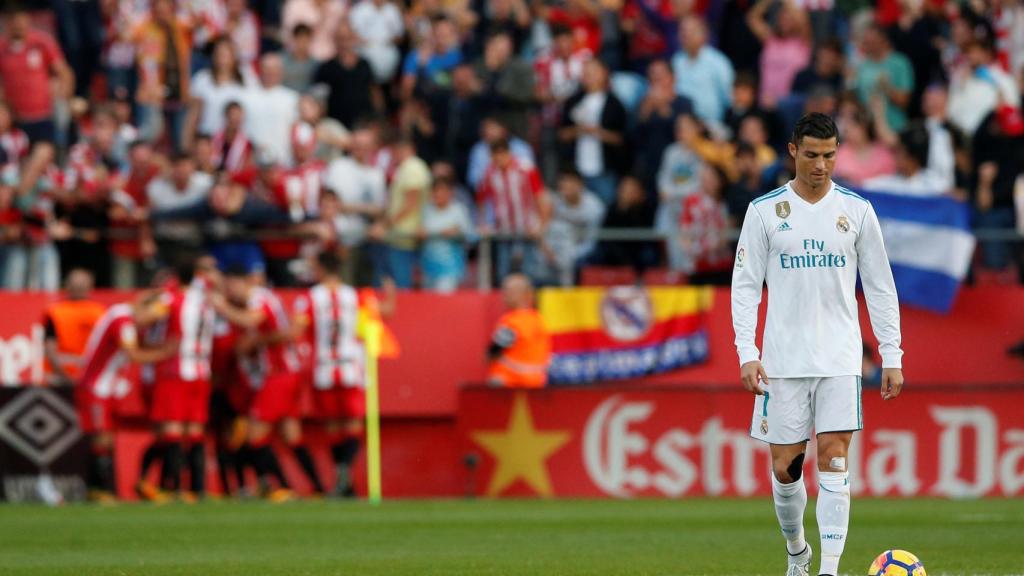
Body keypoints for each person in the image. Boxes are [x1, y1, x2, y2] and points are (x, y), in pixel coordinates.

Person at [731, 113, 905, 576]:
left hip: (839, 357)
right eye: (811, 155)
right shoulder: (764, 212)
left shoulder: (858, 211)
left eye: (829, 155)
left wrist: (892, 354)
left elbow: (880, 286)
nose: (821, 165)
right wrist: (747, 352)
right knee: (786, 470)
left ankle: (828, 570)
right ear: (793, 151)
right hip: (782, 361)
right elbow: (745, 286)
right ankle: (797, 553)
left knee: (833, 458)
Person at [213, 268, 322, 499]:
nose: (229, 292)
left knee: (253, 435)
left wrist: (222, 307)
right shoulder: (264, 299)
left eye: (231, 285)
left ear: (243, 282)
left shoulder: (258, 298)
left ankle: (281, 488)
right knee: (291, 434)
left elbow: (253, 320)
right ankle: (319, 488)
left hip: (279, 374)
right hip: (287, 372)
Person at [77, 292, 172, 501]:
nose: (150, 323)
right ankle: (97, 489)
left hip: (108, 388)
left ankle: (106, 490)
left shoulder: (125, 320)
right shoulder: (122, 319)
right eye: (152, 317)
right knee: (101, 438)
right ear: (144, 307)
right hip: (96, 386)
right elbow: (133, 354)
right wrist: (166, 353)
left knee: (108, 438)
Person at [291, 250, 368, 496]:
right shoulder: (355, 296)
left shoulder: (309, 298)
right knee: (353, 424)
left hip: (323, 368)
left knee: (333, 426)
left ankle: (342, 477)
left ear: (320, 269)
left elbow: (297, 328)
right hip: (351, 367)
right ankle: (346, 477)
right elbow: (377, 318)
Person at [149, 256, 219, 500]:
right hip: (202, 371)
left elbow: (146, 317)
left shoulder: (173, 299)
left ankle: (174, 487)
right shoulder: (206, 301)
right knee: (196, 430)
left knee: (173, 430)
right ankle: (199, 489)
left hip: (177, 369)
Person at [0, 4, 75, 145]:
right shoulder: (2, 48)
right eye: (14, 22)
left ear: (28, 20)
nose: (18, 26)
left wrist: (62, 98)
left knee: (43, 152)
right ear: (7, 23)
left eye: (21, 20)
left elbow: (64, 73)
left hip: (43, 117)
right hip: (15, 119)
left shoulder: (42, 42)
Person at [558, 59, 627, 205]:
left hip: (604, 171)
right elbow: (562, 134)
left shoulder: (614, 104)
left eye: (593, 71)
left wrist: (597, 132)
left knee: (605, 210)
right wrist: (579, 130)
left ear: (604, 74)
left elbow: (622, 139)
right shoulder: (572, 101)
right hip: (577, 171)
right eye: (585, 71)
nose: (588, 75)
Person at [43, 269, 106, 386]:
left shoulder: (100, 313)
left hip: (76, 379)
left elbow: (50, 351)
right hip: (64, 380)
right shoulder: (100, 313)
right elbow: (50, 352)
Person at [486, 273, 551, 388]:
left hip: (507, 382)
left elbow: (493, 352)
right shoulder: (539, 319)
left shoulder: (511, 322)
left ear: (526, 294)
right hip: (537, 382)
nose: (504, 295)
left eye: (509, 291)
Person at [670, 15, 735, 125]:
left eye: (691, 31)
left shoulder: (718, 62)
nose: (686, 35)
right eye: (683, 31)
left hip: (712, 125)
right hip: (681, 126)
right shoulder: (676, 61)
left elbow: (729, 98)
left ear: (704, 35)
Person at [387, 138, 431, 288]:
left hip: (405, 233)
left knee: (402, 283)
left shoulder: (412, 167)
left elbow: (411, 201)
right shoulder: (408, 167)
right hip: (405, 232)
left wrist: (388, 224)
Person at [243, 53, 300, 167]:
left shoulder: (292, 98)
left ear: (281, 71)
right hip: (251, 163)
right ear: (260, 70)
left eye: (275, 69)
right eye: (267, 68)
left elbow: (296, 131)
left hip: (283, 162)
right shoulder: (246, 96)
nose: (271, 72)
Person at [420, 176, 474, 292]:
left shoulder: (459, 210)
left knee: (444, 301)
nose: (438, 194)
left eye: (442, 191)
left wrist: (457, 233)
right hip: (428, 268)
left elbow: (471, 236)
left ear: (450, 193)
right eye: (436, 191)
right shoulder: (426, 210)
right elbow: (419, 232)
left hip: (450, 269)